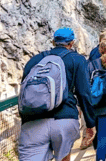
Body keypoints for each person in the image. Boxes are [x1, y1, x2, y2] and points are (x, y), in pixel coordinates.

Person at [18, 27, 96, 161]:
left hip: (34, 121)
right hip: (65, 120)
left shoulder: (35, 60)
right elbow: (84, 94)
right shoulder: (77, 60)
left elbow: (25, 91)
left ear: (53, 41)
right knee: (64, 156)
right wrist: (90, 124)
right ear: (72, 43)